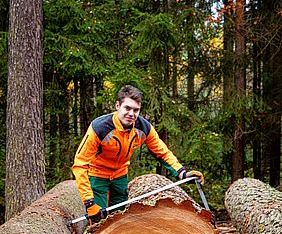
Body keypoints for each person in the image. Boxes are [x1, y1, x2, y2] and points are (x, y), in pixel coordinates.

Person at [72, 85, 204, 223]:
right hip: (97, 174)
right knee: (99, 221)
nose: (131, 114)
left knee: (119, 219)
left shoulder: (144, 128)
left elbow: (162, 152)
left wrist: (182, 172)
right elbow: (80, 164)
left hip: (120, 176)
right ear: (118, 105)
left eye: (136, 110)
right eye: (127, 108)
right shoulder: (99, 128)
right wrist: (89, 202)